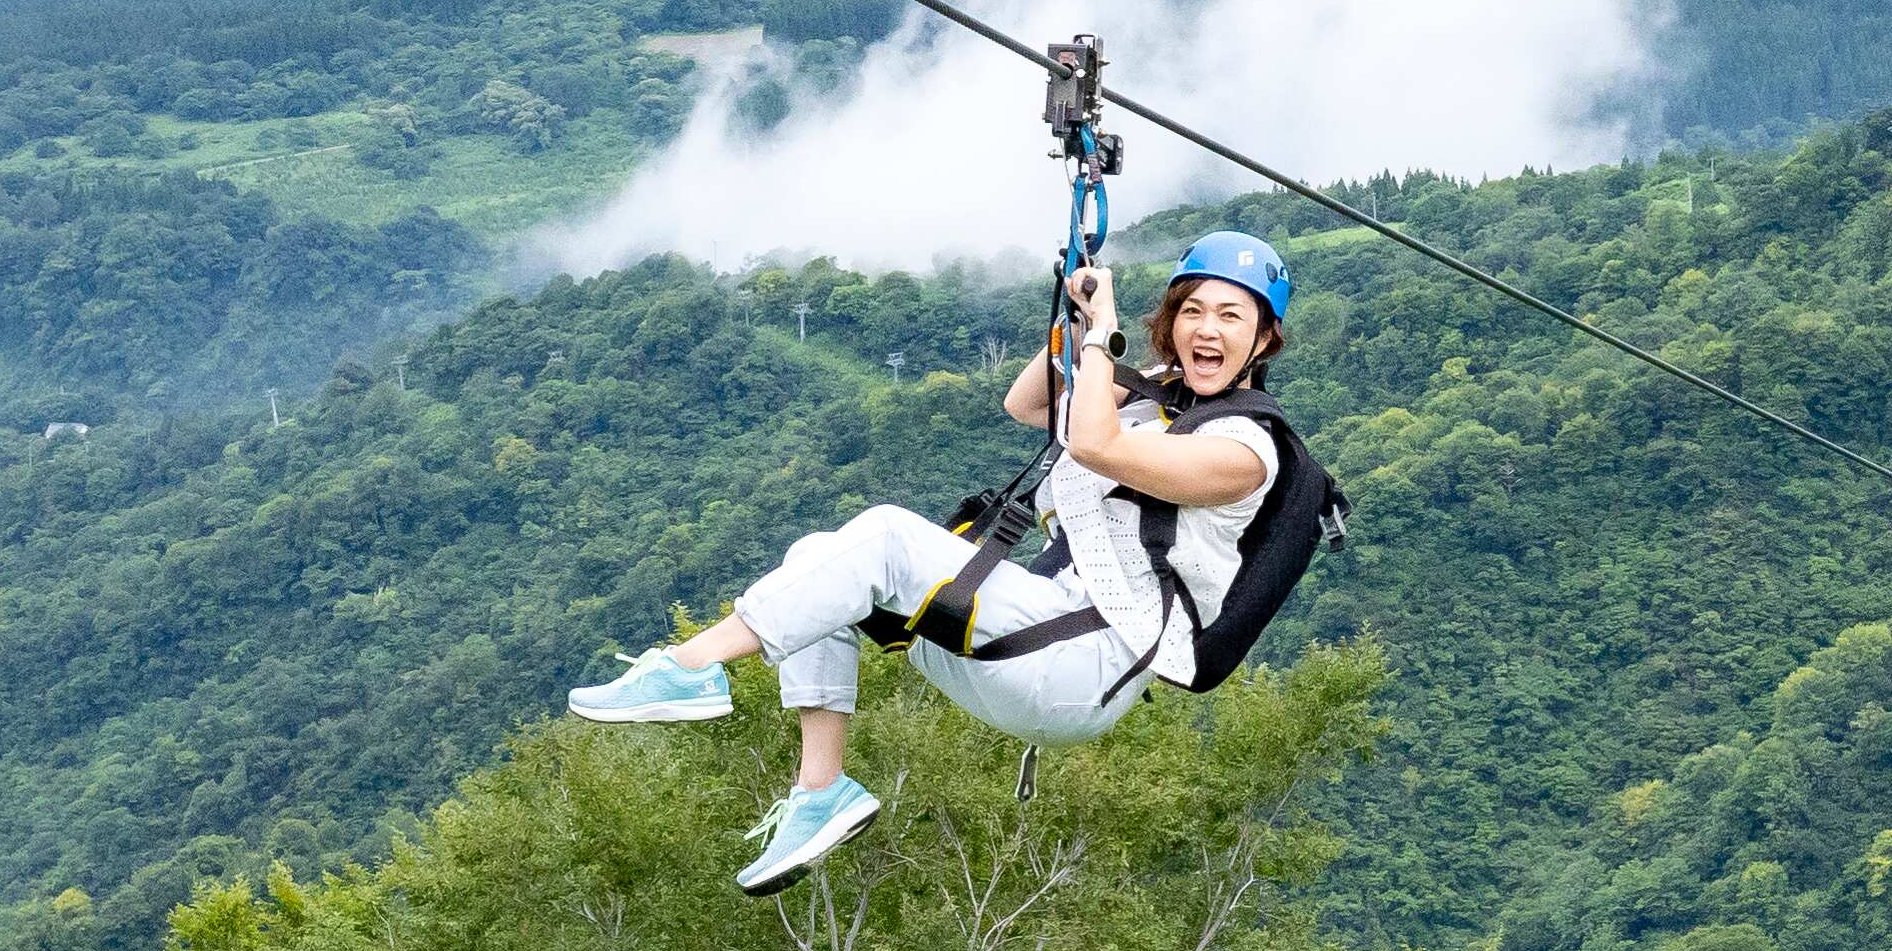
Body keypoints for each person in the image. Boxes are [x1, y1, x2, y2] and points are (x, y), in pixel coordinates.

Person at [566, 230, 1332, 891]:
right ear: (1171, 321)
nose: (1208, 328)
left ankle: (693, 665)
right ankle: (821, 791)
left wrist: (1102, 333)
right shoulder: (1154, 402)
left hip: (1084, 665)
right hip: (1045, 638)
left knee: (887, 538)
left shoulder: (1244, 452)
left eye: (1231, 316)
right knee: (821, 565)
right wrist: (1074, 320)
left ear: (1263, 340)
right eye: (1193, 309)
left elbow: (1095, 444)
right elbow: (1029, 406)